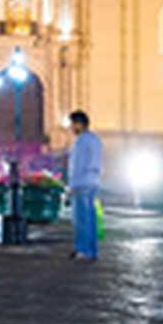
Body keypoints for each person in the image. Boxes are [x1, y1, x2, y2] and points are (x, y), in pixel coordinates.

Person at [67, 110, 103, 262]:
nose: (71, 128)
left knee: (81, 219)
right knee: (91, 218)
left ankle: (83, 250)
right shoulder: (96, 139)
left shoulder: (81, 141)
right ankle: (91, 250)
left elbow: (78, 164)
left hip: (81, 183)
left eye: (72, 124)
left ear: (79, 124)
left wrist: (72, 185)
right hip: (93, 181)